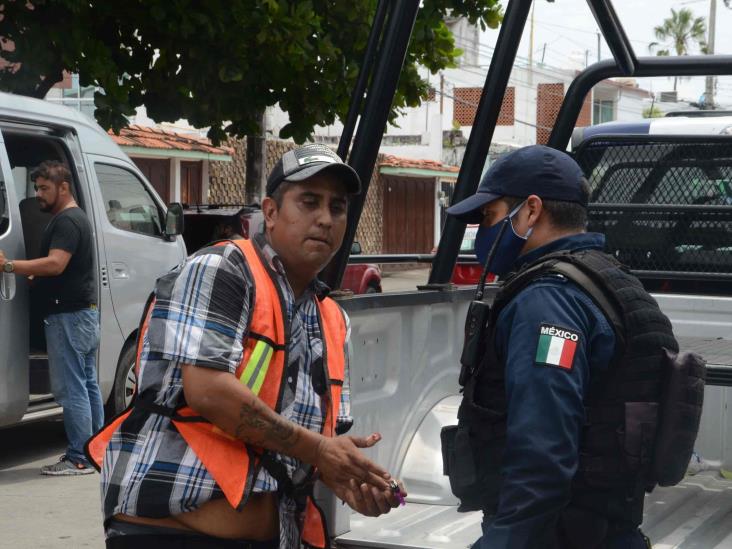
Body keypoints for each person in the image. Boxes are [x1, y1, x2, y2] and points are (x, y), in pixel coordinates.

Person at [87, 143, 405, 549]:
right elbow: (208, 392)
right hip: (167, 534)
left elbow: (307, 448)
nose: (325, 218)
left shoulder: (332, 320)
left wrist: (352, 480)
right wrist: (322, 451)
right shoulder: (223, 269)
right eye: (309, 202)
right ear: (269, 212)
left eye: (337, 207)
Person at [444, 145, 678, 549]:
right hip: (609, 528)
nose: (483, 230)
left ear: (531, 210)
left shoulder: (548, 303)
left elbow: (543, 458)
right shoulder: (615, 282)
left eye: (490, 215)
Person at [0, 160, 103, 475]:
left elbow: (57, 264)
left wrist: (9, 266)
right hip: (81, 315)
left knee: (72, 389)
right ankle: (95, 450)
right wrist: (37, 276)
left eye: (45, 188)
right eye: (37, 188)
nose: (39, 194)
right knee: (87, 385)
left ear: (64, 187)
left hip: (68, 317)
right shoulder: (75, 219)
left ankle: (79, 458)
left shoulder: (67, 222)